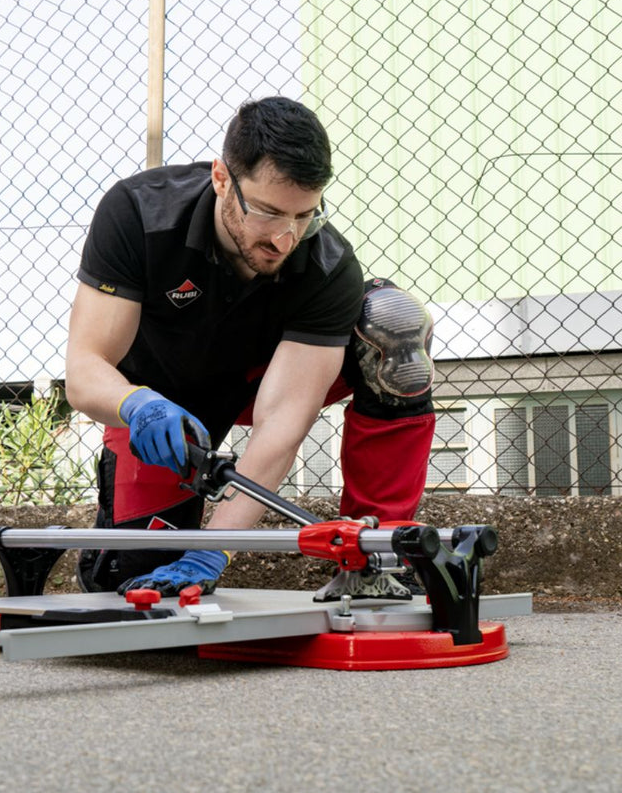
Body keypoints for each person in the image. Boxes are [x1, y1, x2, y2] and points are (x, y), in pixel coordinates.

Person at [65, 96, 435, 599]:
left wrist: (214, 547)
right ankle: (121, 548)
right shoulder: (137, 214)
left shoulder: (327, 265)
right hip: (162, 406)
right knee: (128, 580)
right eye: (267, 212)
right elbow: (85, 370)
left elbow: (282, 422)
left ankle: (382, 553)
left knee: (392, 325)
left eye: (304, 214)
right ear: (222, 178)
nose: (285, 238)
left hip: (257, 388)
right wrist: (136, 404)